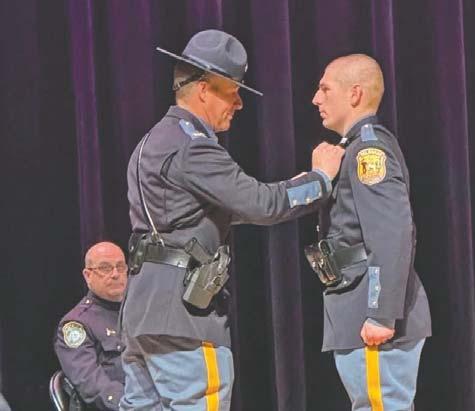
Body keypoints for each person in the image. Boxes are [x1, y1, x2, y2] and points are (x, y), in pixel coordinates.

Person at [121, 29, 345, 410]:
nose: (239, 104)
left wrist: (284, 189)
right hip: (184, 319)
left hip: (142, 315)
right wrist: (320, 179)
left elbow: (196, 214)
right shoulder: (194, 148)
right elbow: (260, 204)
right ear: (203, 89)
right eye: (232, 92)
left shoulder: (152, 142)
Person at [308, 54, 431, 410]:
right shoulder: (351, 149)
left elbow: (392, 233)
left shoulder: (368, 150)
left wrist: (381, 312)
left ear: (355, 94)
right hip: (354, 304)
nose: (316, 99)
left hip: (370, 310)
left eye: (325, 89)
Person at [54, 242, 127, 410]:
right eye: (105, 268)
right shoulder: (76, 324)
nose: (115, 274)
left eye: (120, 267)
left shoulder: (138, 313)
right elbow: (93, 385)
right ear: (88, 275)